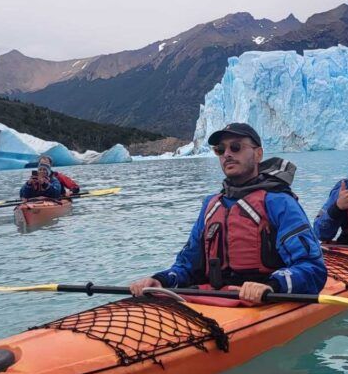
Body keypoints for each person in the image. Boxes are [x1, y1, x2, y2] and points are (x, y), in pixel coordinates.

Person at [129, 123, 327, 304]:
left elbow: (313, 268)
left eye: (236, 147)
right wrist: (160, 279)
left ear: (258, 154)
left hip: (262, 300)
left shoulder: (279, 202)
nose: (227, 154)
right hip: (213, 299)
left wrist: (273, 285)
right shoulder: (211, 205)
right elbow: (188, 264)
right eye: (220, 150)